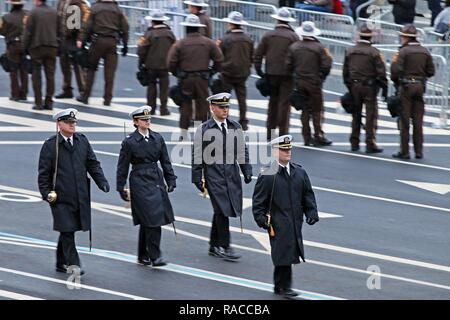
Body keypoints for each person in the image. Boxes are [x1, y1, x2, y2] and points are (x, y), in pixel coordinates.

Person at [38, 108, 110, 275]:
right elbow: (43, 173)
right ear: (59, 124)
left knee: (67, 229)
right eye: (68, 123)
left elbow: (92, 163)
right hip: (60, 197)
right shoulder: (50, 145)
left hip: (79, 194)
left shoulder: (82, 141)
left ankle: (60, 262)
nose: (72, 125)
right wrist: (46, 194)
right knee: (68, 229)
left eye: (74, 122)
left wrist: (102, 181)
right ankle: (73, 264)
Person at [252, 135, 319, 299]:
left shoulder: (299, 172)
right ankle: (283, 287)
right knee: (283, 252)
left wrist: (312, 212)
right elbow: (259, 200)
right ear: (275, 152)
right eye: (283, 149)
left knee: (288, 252)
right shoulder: (268, 174)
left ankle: (280, 286)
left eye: (289, 149)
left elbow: (307, 194)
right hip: (278, 221)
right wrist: (262, 220)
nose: (288, 152)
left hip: (295, 221)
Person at [192, 93, 253, 261]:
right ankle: (225, 246)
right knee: (223, 209)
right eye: (221, 107)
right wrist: (197, 178)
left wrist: (246, 170)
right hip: (214, 174)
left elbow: (242, 150)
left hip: (231, 173)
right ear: (212, 108)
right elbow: (197, 156)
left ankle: (213, 245)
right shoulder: (204, 129)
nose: (225, 110)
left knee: (221, 210)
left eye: (227, 107)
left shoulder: (234, 127)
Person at [116, 106, 177, 267]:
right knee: (152, 218)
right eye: (143, 120)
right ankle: (155, 255)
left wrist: (171, 179)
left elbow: (165, 161)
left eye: (148, 119)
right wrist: (120, 187)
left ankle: (143, 254)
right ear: (136, 122)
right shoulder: (129, 142)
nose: (147, 121)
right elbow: (122, 166)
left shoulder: (157, 138)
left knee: (149, 219)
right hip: (139, 180)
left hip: (156, 179)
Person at [167, 14, 223, 141]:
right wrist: (212, 71)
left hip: (186, 78)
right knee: (203, 104)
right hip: (202, 78)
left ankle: (183, 132)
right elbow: (219, 59)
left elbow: (170, 62)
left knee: (185, 104)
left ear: (187, 28)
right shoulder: (209, 43)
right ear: (199, 28)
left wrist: (177, 73)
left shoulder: (180, 44)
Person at [390, 24, 435, 159]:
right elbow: (431, 71)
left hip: (406, 87)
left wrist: (397, 82)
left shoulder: (402, 52)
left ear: (405, 37)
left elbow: (395, 71)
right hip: (420, 87)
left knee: (404, 120)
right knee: (418, 121)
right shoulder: (425, 51)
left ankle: (404, 151)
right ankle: (418, 151)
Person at [254, 7, 299, 141]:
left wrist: (259, 70)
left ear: (277, 19)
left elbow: (258, 54)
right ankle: (283, 133)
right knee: (284, 103)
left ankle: (270, 132)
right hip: (287, 74)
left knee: (273, 102)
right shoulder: (294, 36)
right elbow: (297, 56)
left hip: (271, 72)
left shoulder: (268, 35)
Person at [286, 21, 333, 147]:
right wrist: (321, 77)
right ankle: (318, 135)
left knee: (305, 109)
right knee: (317, 109)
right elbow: (327, 65)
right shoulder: (320, 47)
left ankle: (306, 136)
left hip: (299, 81)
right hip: (314, 82)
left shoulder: (294, 47)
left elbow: (288, 64)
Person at [343, 24, 387, 153]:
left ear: (359, 36)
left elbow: (345, 71)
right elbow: (381, 72)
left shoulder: (350, 50)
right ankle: (370, 143)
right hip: (369, 87)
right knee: (370, 115)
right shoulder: (374, 52)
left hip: (354, 85)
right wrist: (384, 88)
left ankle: (354, 142)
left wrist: (349, 86)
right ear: (371, 37)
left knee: (356, 114)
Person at [76, 0, 129, 106]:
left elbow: (87, 25)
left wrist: (81, 39)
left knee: (91, 68)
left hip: (97, 41)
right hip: (112, 42)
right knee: (110, 73)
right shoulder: (118, 9)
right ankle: (107, 99)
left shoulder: (95, 8)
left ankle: (85, 96)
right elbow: (125, 28)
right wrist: (125, 44)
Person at [217, 11, 254, 131]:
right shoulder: (248, 38)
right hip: (242, 72)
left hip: (227, 72)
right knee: (242, 98)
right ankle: (243, 121)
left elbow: (219, 55)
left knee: (224, 99)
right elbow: (251, 55)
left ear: (231, 24)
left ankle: (224, 120)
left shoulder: (226, 38)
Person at [137, 10, 176, 116]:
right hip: (165, 65)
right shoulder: (170, 33)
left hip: (151, 65)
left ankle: (151, 109)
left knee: (151, 86)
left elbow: (141, 50)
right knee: (164, 88)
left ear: (152, 21)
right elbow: (175, 49)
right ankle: (164, 109)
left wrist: (141, 63)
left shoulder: (149, 33)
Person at [23, 0, 59, 110]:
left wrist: (25, 48)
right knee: (50, 75)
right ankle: (49, 101)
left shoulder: (33, 13)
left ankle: (38, 102)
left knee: (36, 75)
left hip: (37, 47)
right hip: (52, 47)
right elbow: (60, 30)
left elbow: (28, 32)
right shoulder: (54, 12)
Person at [55, 0, 90, 100]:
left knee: (77, 66)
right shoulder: (61, 2)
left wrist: (80, 38)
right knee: (64, 64)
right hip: (63, 38)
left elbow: (81, 23)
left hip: (73, 37)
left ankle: (83, 90)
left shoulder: (78, 2)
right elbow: (59, 18)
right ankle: (67, 89)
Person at [0, 0, 28, 102]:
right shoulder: (27, 15)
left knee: (13, 71)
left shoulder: (6, 17)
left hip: (12, 45)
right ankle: (24, 93)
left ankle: (15, 94)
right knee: (24, 70)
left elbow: (2, 32)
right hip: (25, 44)